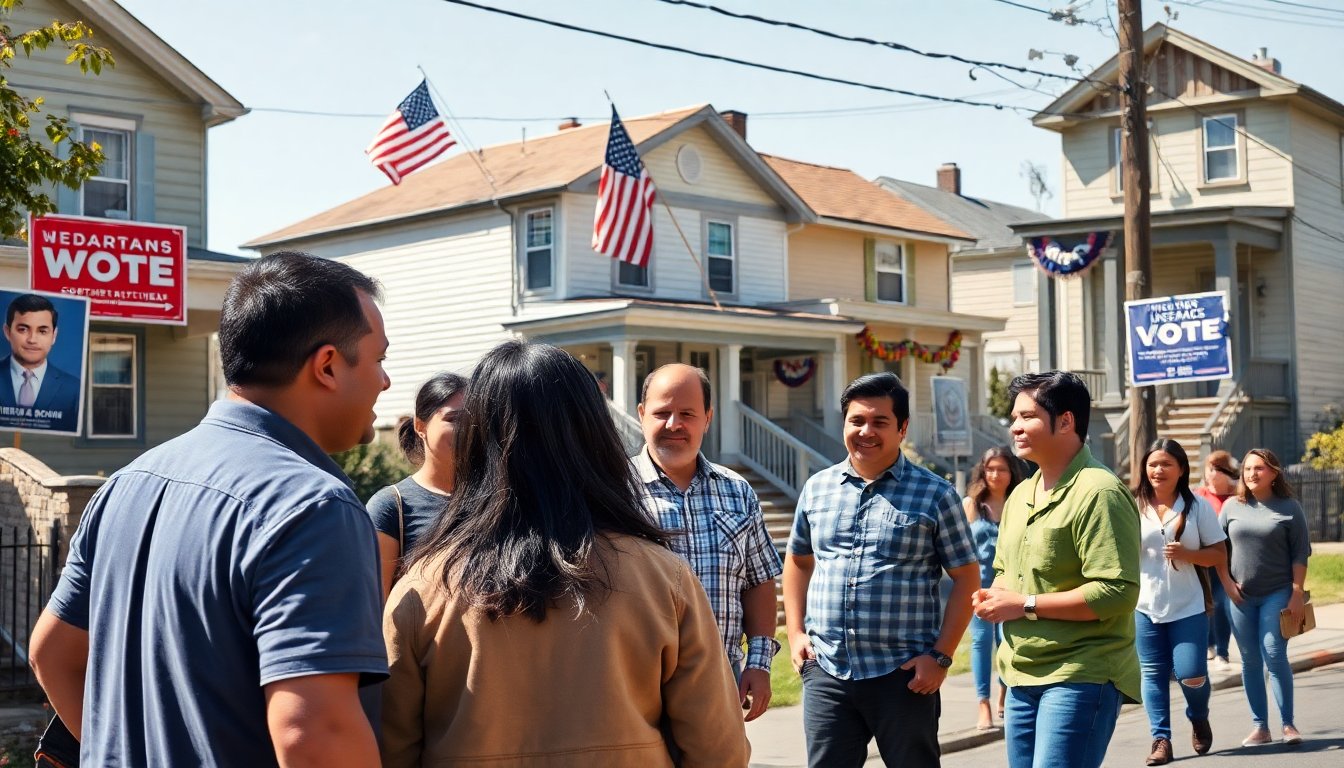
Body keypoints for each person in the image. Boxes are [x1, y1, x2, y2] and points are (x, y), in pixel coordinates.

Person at [28, 252, 392, 766]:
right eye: (379, 358)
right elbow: (315, 734)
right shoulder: (311, 506)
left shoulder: (126, 484)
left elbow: (52, 655)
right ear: (328, 365)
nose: (385, 380)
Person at [380, 341, 749, 767]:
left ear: (479, 440)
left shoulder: (423, 587)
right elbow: (718, 750)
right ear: (595, 434)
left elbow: (391, 747)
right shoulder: (665, 578)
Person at [784, 371, 979, 767]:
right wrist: (795, 632)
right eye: (856, 420)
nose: (866, 431)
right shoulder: (818, 488)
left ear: (902, 427)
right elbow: (798, 560)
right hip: (828, 671)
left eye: (879, 422)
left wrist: (941, 657)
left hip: (904, 675)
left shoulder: (936, 494)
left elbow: (966, 578)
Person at [972, 370, 1140, 768]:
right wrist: (995, 595)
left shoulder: (1099, 491)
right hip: (1019, 675)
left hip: (1081, 672)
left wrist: (1024, 604)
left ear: (1065, 421)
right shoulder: (1020, 495)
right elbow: (1004, 570)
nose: (1015, 426)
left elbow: (1118, 592)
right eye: (1013, 417)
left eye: (1027, 416)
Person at [635, 363, 782, 722]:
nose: (674, 424)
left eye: (687, 413)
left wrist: (759, 664)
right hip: (637, 678)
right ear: (641, 415)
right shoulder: (616, 494)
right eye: (662, 413)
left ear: (708, 418)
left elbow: (759, 580)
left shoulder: (737, 491)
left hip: (722, 672)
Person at [1132, 439, 1228, 765]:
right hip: (1144, 605)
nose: (1158, 470)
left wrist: (1189, 555)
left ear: (1181, 469)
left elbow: (1219, 553)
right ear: (1144, 468)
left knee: (1192, 674)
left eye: (1166, 464)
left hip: (1189, 605)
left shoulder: (1197, 506)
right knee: (1152, 673)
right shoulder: (1133, 505)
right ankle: (1161, 740)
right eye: (1153, 464)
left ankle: (1198, 715)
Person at [1220, 448, 1312, 747]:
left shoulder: (1290, 507)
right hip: (1240, 596)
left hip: (1278, 592)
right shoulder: (1231, 506)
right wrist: (1227, 584)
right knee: (1249, 660)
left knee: (1273, 652)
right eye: (1247, 469)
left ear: (1274, 472)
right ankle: (1261, 727)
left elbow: (1300, 553)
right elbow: (1219, 551)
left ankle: (1288, 724)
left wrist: (1297, 593)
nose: (1251, 474)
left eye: (1259, 468)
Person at [366, 371, 467, 599]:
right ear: (420, 426)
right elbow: (374, 606)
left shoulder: (498, 499)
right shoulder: (392, 506)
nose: (466, 429)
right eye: (453, 420)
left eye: (474, 420)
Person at [962, 446, 1023, 731]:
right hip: (979, 590)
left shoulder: (1020, 502)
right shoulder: (972, 505)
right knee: (981, 643)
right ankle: (983, 703)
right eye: (990, 469)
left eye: (1001, 469)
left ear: (1011, 473)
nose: (995, 475)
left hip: (1010, 589)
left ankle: (1005, 693)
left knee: (1007, 643)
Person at [0, 293, 80, 431]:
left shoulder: (74, 389)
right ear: (7, 332)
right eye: (23, 329)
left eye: (42, 331)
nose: (32, 339)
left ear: (53, 336)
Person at [1195, 450, 1239, 669]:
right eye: (1209, 468)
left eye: (1217, 469)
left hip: (1230, 560)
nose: (1212, 473)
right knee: (1206, 605)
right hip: (1204, 560)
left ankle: (1222, 652)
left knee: (1222, 605)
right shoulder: (1199, 495)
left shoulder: (1237, 497)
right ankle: (1209, 645)